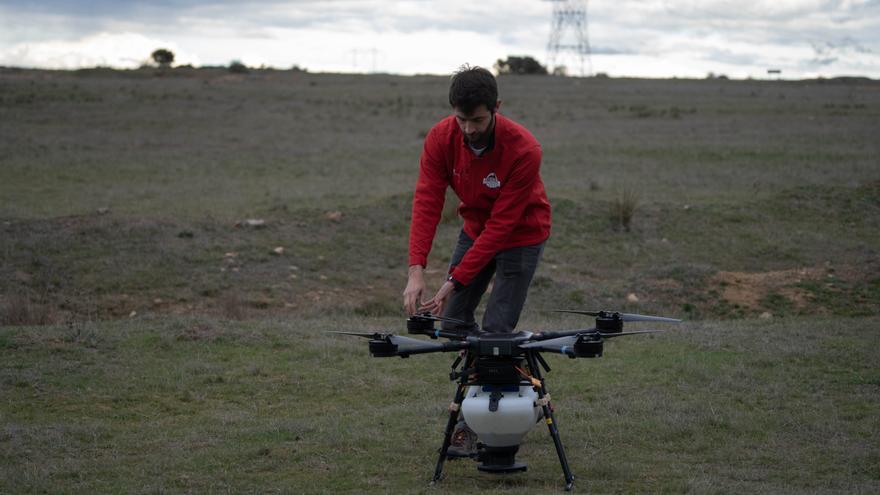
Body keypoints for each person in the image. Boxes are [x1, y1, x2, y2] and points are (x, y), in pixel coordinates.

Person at [402, 65, 552, 456]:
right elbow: (427, 202)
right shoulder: (440, 138)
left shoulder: (524, 148)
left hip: (520, 234)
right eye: (462, 119)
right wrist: (416, 270)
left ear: (497, 108)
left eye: (478, 120)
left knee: (496, 331)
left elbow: (502, 228)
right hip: (474, 229)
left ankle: (482, 424)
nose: (469, 129)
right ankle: (509, 385)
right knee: (453, 324)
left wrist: (453, 281)